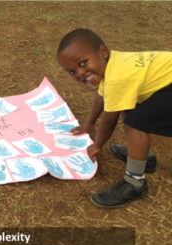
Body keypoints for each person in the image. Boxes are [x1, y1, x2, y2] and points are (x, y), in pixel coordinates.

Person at [57, 28, 172, 208]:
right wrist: (89, 124)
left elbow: (109, 120)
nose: (80, 73)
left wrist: (97, 145)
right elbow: (101, 97)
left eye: (83, 63)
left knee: (136, 124)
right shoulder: (112, 64)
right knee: (130, 111)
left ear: (103, 52)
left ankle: (135, 183)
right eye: (72, 72)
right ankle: (143, 158)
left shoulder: (117, 79)